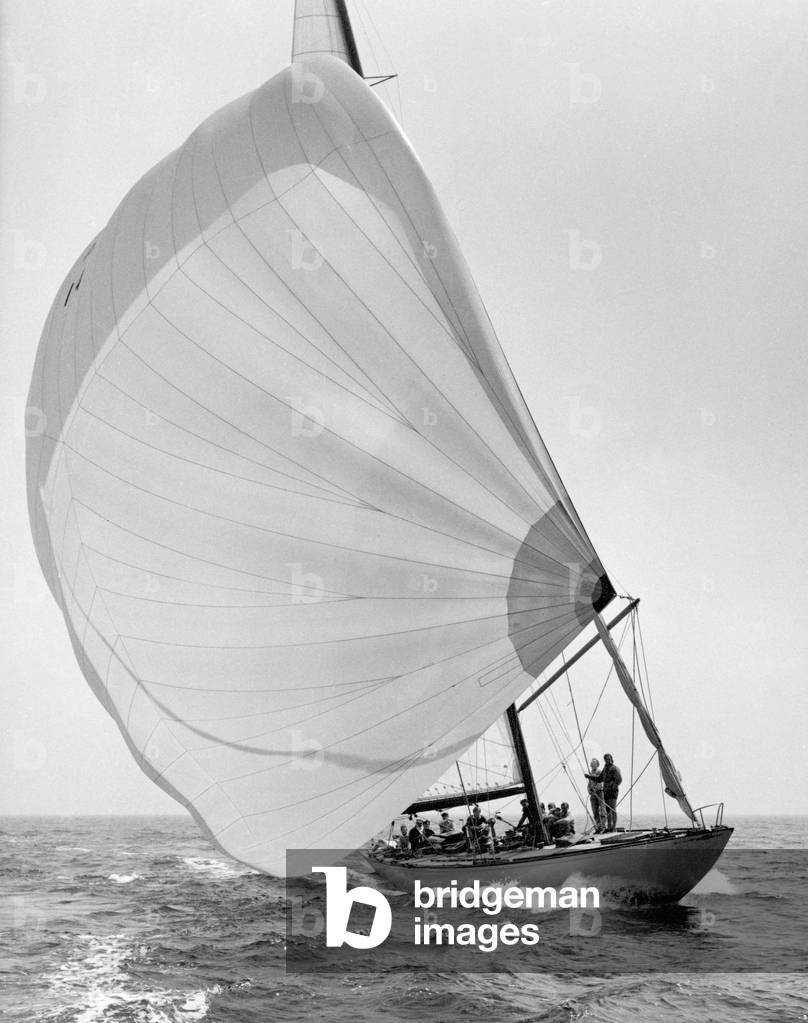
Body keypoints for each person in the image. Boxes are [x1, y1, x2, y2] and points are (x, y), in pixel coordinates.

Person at [586, 753, 622, 832]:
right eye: (606, 759)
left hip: (612, 792)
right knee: (607, 810)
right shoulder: (605, 769)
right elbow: (599, 779)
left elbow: (619, 780)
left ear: (611, 759)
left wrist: (613, 786)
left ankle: (613, 827)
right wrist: (589, 776)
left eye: (609, 759)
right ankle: (609, 827)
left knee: (612, 809)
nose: (608, 760)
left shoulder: (614, 768)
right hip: (606, 792)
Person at [587, 757, 604, 832]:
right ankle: (598, 826)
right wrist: (589, 790)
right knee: (595, 811)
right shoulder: (590, 773)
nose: (592, 765)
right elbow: (589, 783)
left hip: (599, 792)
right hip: (593, 794)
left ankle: (603, 826)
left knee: (602, 810)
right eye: (591, 764)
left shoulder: (599, 771)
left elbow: (599, 781)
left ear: (597, 764)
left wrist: (595, 789)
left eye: (594, 764)